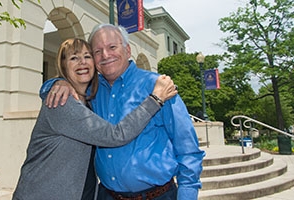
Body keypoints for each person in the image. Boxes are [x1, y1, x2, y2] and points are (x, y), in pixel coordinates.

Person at [42, 24, 205, 200]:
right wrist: (57, 83)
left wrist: (187, 195)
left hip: (158, 195)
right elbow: (68, 82)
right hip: (107, 195)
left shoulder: (159, 87)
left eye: (112, 47)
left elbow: (188, 150)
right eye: (97, 51)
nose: (105, 55)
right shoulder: (92, 92)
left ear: (127, 50)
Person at [12, 38, 177, 200]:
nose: (82, 62)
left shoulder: (91, 103)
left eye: (87, 56)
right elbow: (115, 135)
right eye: (74, 58)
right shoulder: (62, 103)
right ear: (63, 65)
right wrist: (155, 99)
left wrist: (56, 83)